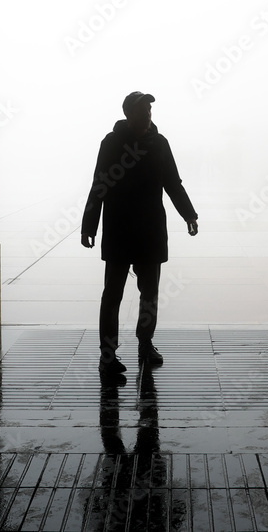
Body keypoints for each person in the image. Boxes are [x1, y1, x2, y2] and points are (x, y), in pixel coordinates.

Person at [82, 92, 198, 375]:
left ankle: (145, 344)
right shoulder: (111, 144)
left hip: (150, 230)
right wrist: (89, 224)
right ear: (128, 114)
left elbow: (173, 182)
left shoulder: (159, 144)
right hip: (120, 230)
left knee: (150, 294)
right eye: (142, 110)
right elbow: (100, 184)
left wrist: (189, 214)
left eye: (149, 109)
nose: (148, 114)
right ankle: (107, 355)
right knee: (113, 295)